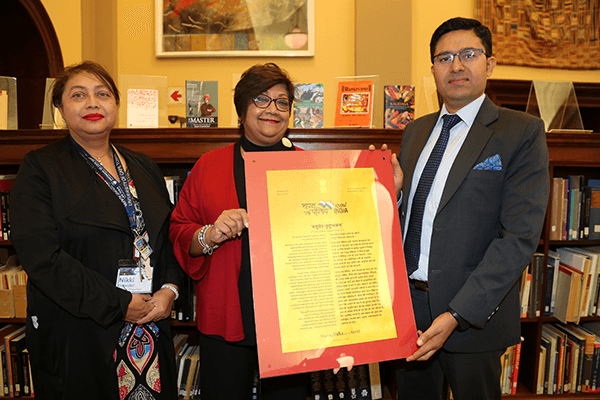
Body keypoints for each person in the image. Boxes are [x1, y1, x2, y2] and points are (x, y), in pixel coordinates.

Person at [391, 17, 549, 399]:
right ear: (433, 70)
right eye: (444, 58)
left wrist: (457, 314)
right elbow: (413, 215)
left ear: (489, 64)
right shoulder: (414, 132)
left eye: (468, 54)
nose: (456, 65)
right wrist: (395, 195)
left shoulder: (521, 132)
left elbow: (519, 238)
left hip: (471, 316)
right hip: (409, 310)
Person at [9, 61, 183, 400]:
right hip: (82, 330)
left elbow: (167, 235)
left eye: (102, 94)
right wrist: (118, 304)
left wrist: (170, 289)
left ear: (116, 105)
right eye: (78, 95)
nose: (92, 103)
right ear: (59, 108)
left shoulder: (143, 165)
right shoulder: (40, 168)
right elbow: (43, 258)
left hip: (149, 323)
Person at [169, 63, 308, 400]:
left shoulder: (310, 167)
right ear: (242, 109)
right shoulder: (209, 165)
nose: (273, 109)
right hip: (226, 318)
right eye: (261, 99)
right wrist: (211, 234)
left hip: (293, 320)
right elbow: (179, 231)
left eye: (282, 101)